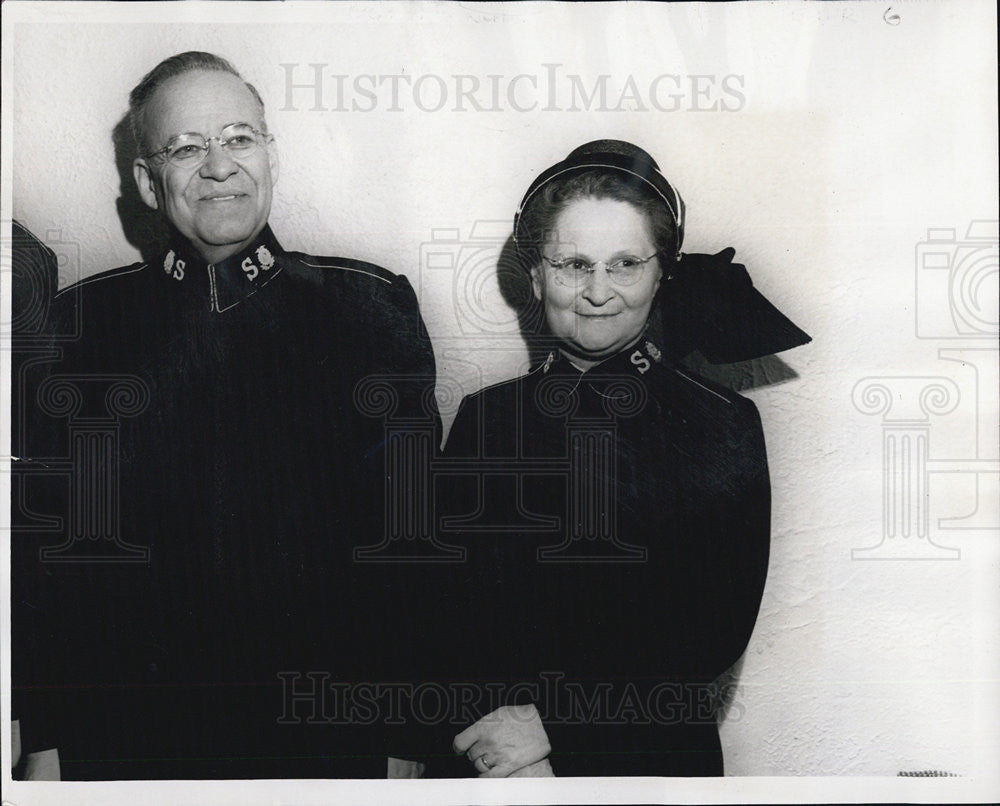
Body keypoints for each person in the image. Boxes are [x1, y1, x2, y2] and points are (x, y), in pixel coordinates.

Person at [11, 52, 439, 779]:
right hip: (129, 738)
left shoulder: (368, 309)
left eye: (239, 138)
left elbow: (410, 546)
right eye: (186, 147)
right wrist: (47, 737)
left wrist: (404, 737)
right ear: (149, 182)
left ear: (272, 157)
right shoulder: (83, 324)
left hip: (323, 738)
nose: (219, 166)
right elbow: (55, 555)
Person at [439, 140, 809, 777]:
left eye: (625, 265)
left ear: (661, 274)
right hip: (493, 762)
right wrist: (498, 746)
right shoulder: (485, 419)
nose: (598, 292)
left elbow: (711, 633)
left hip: (649, 760)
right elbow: (447, 608)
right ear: (536, 277)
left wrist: (550, 728)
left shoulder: (723, 424)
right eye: (573, 265)